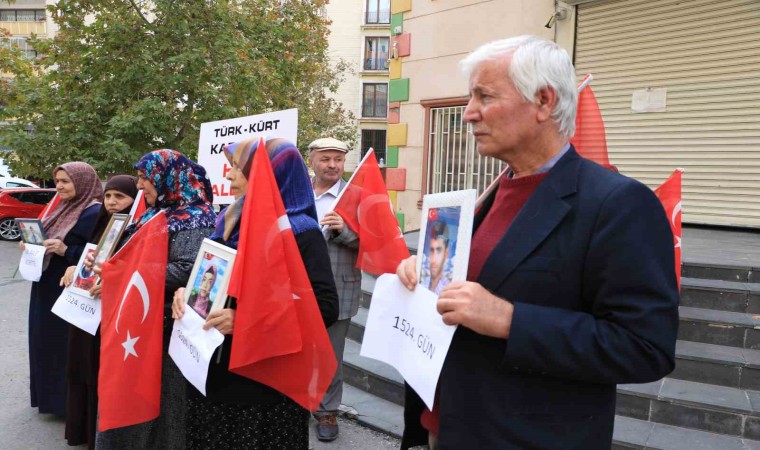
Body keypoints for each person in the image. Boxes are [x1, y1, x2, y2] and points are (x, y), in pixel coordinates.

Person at [396, 35, 679, 449]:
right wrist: (425, 271)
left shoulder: (618, 204)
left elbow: (644, 347)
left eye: (484, 96)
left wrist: (511, 320)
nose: (469, 113)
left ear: (544, 102)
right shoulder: (489, 195)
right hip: (444, 428)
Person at [172, 137, 339, 449]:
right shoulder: (229, 219)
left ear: (270, 174)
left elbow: (325, 307)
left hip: (261, 385)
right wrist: (187, 292)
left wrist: (247, 321)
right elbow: (210, 276)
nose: (229, 175)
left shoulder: (301, 231)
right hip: (210, 370)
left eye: (238, 168)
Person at [94, 150, 216, 450]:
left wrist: (123, 273)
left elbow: (188, 270)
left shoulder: (196, 218)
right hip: (136, 322)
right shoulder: (155, 213)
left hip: (161, 330)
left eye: (144, 178)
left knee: (156, 407)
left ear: (167, 178)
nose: (139, 185)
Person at [61, 174, 138, 449]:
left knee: (97, 368)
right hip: (85, 308)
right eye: (108, 196)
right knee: (81, 365)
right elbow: (90, 256)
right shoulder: (103, 224)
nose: (112, 202)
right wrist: (75, 267)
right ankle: (81, 429)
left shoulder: (136, 229)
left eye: (120, 196)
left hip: (110, 312)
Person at [23, 162, 103, 418]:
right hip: (45, 284)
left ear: (82, 182)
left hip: (69, 288)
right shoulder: (61, 207)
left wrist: (65, 249)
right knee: (43, 342)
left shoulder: (94, 212)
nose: (59, 186)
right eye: (57, 181)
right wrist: (32, 246)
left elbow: (99, 255)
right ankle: (47, 399)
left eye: (65, 181)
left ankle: (64, 405)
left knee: (62, 346)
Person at [307, 137, 362, 442]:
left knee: (330, 354)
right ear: (311, 160)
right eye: (326, 159)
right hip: (299, 286)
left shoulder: (357, 196)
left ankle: (326, 410)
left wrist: (345, 232)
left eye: (338, 159)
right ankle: (296, 399)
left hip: (340, 287)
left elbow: (378, 241)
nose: (332, 165)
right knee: (296, 349)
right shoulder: (298, 193)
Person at [420, 220, 452, 295]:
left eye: (439, 250)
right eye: (431, 250)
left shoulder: (449, 291)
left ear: (446, 253)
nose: (434, 260)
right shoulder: (422, 282)